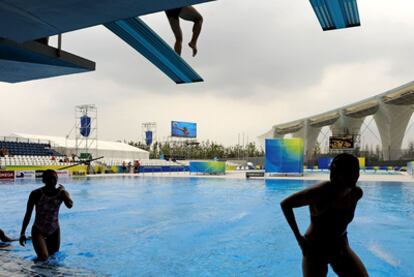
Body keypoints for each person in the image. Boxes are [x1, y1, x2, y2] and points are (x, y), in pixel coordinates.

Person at [280, 153, 368, 277]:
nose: (355, 176)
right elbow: (285, 204)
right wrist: (299, 239)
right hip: (315, 249)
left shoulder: (356, 194)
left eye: (356, 171)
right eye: (349, 172)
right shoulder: (321, 192)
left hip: (340, 247)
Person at [19, 169, 73, 261]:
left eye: (54, 178)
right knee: (44, 258)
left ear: (57, 179)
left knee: (53, 257)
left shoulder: (62, 193)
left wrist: (64, 195)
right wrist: (22, 233)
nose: (52, 181)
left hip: (55, 230)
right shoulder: (36, 194)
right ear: (43, 180)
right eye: (49, 178)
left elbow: (70, 205)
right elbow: (28, 214)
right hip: (38, 230)